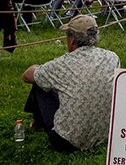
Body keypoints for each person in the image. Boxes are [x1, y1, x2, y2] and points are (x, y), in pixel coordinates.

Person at [22, 14, 119, 152]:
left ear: (72, 40)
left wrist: (38, 67)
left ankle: (38, 122)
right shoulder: (112, 57)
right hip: (106, 134)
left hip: (68, 142)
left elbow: (26, 76)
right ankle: (38, 122)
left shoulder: (62, 64)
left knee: (39, 84)